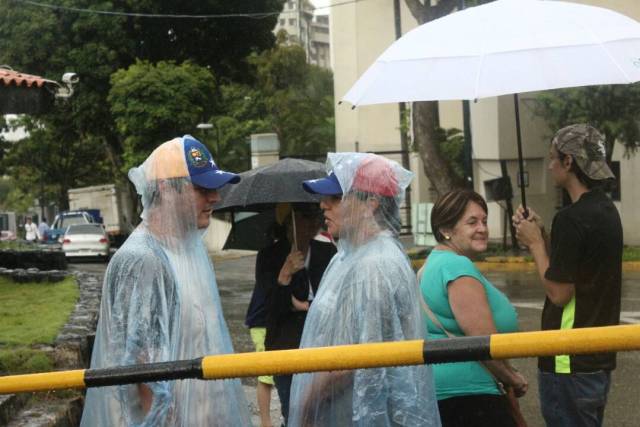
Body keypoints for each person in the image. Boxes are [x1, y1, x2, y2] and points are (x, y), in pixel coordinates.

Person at [81, 135, 252, 426]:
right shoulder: (143, 259)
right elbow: (142, 367)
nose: (215, 197)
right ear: (166, 190)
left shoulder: (191, 249)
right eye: (202, 188)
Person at [288, 153, 441, 427]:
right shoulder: (351, 256)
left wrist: (306, 407)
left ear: (370, 204)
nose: (323, 206)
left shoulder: (374, 266)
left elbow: (353, 358)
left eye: (335, 197)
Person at [513, 124, 622, 427]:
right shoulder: (606, 210)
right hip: (597, 358)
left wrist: (535, 244)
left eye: (552, 158)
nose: (549, 166)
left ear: (569, 161)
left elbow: (560, 294)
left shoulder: (571, 219)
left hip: (567, 360)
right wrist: (544, 234)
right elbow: (578, 267)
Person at [420, 189, 527, 427]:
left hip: (448, 397)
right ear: (446, 230)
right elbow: (480, 341)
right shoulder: (456, 267)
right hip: (471, 400)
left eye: (484, 221)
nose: (482, 228)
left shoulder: (433, 263)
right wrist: (513, 378)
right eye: (472, 222)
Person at [258, 203, 336, 426]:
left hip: (320, 348)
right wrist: (284, 276)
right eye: (305, 216)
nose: (313, 221)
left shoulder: (327, 252)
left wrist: (306, 306)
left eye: (315, 215)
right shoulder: (269, 256)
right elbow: (268, 308)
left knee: (320, 413)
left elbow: (332, 298)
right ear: (289, 223)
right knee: (293, 413)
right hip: (285, 348)